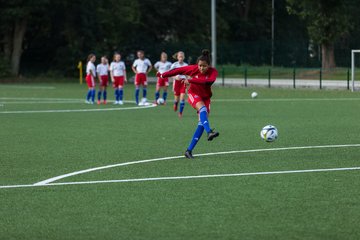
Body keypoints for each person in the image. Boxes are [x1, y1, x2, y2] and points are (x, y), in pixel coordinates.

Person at [158, 49, 219, 159]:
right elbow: (178, 70)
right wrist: (163, 75)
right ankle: (209, 131)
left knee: (201, 123)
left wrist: (190, 81)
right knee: (203, 109)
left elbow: (207, 82)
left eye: (204, 66)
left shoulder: (213, 72)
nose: (201, 68)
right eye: (200, 65)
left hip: (206, 98)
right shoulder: (193, 69)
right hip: (193, 94)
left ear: (209, 65)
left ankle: (189, 151)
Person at [170, 51, 188, 117]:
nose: (181, 58)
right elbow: (170, 74)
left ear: (184, 57)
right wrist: (175, 77)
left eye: (182, 57)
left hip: (183, 82)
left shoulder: (186, 65)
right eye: (180, 56)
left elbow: (187, 75)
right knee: (176, 98)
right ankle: (175, 103)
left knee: (182, 97)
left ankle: (180, 112)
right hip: (176, 83)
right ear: (177, 57)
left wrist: (187, 80)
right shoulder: (174, 65)